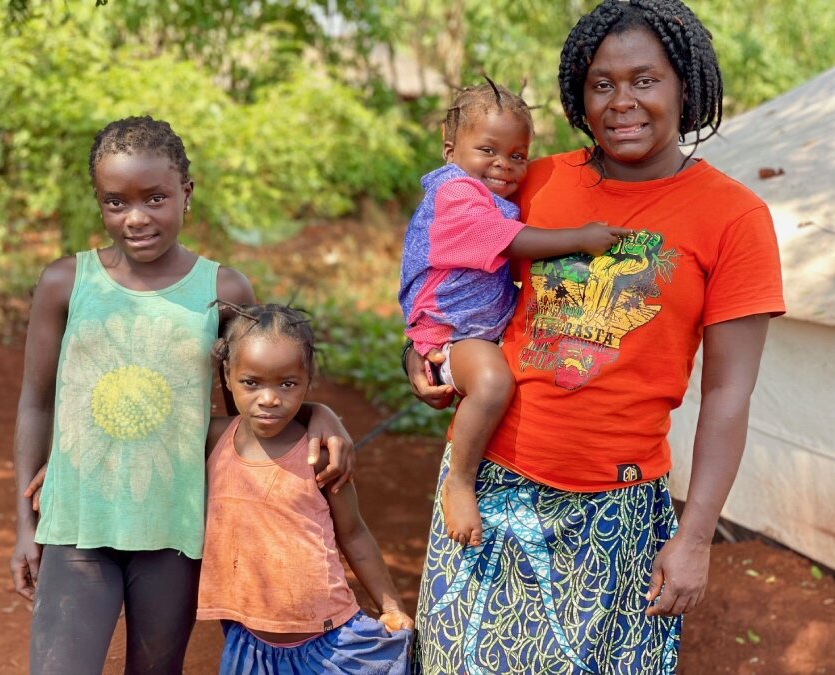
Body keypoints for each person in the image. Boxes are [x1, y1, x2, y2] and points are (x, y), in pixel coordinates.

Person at [406, 1, 785, 673]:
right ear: (579, 95)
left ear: (685, 87)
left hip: (616, 507)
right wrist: (423, 346)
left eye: (645, 79)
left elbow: (729, 392)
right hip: (490, 481)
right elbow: (449, 265)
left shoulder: (734, 218)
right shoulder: (537, 180)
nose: (622, 101)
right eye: (601, 83)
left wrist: (696, 535)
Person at [10, 116, 354, 674]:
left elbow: (250, 402)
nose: (136, 217)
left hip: (173, 526)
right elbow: (36, 402)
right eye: (115, 202)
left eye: (155, 198)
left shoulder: (222, 290)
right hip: (76, 521)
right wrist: (25, 527)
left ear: (185, 194)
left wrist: (317, 411)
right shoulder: (65, 283)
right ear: (99, 203)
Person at [398, 80, 631, 548]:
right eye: (488, 149)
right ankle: (460, 480)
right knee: (493, 383)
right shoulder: (456, 193)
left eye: (518, 155)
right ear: (450, 148)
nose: (503, 164)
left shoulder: (488, 194)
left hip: (473, 328)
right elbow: (511, 241)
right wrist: (580, 237)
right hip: (455, 330)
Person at [196, 302, 414, 674]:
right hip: (249, 645)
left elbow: (354, 532)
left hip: (330, 643)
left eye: (287, 384)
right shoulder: (214, 437)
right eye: (251, 383)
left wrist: (390, 605)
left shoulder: (320, 454)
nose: (269, 398)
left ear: (307, 380)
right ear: (228, 375)